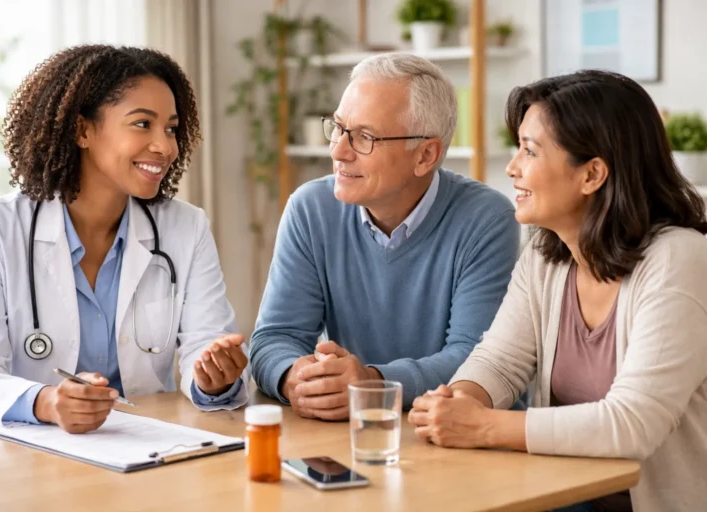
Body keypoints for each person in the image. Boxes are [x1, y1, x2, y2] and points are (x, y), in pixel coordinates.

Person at [408, 70, 707, 512]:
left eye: (529, 151)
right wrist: (458, 402)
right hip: (565, 498)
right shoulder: (546, 258)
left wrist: (484, 427)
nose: (512, 168)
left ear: (592, 174)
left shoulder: (680, 260)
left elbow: (632, 424)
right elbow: (500, 362)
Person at [0, 45, 248, 433]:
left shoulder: (186, 228)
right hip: (35, 456)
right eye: (142, 124)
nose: (166, 146)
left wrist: (211, 378)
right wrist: (47, 402)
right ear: (82, 130)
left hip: (149, 444)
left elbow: (206, 347)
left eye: (171, 128)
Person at [249, 53, 520, 420]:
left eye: (364, 137)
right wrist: (298, 378)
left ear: (425, 155)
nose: (338, 151)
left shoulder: (486, 218)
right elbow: (273, 339)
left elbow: (477, 361)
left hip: (463, 438)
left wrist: (372, 383)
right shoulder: (311, 208)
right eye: (339, 128)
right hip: (359, 436)